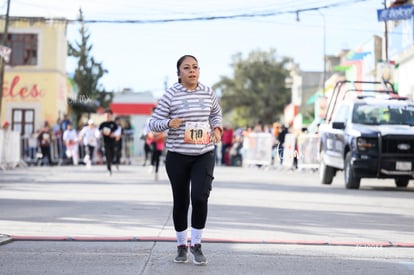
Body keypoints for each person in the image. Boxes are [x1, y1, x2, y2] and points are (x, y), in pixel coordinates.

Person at [148, 54, 222, 265]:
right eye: (187, 67)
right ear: (179, 73)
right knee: (181, 201)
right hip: (178, 157)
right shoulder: (171, 95)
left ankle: (196, 244)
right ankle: (181, 245)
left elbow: (216, 114)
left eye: (195, 67)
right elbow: (153, 123)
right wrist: (169, 123)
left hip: (203, 154)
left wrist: (217, 128)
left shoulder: (208, 93)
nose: (192, 70)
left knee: (200, 197)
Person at [99, 109, 118, 175]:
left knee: (112, 155)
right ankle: (109, 168)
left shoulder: (114, 124)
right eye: (106, 115)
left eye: (109, 115)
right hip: (105, 142)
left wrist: (114, 134)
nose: (107, 116)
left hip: (112, 142)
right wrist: (102, 132)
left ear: (111, 115)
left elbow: (117, 132)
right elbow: (99, 132)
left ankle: (110, 164)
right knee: (107, 155)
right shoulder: (102, 124)